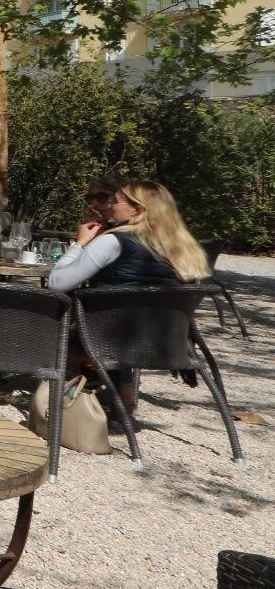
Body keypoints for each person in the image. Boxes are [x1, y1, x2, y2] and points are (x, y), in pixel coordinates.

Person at [48, 178, 209, 423]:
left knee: (46, 329)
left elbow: (57, 283)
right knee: (117, 320)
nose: (108, 205)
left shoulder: (113, 241)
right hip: (163, 342)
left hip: (107, 339)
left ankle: (76, 391)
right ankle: (121, 396)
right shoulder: (183, 247)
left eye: (114, 200)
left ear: (137, 209)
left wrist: (80, 244)